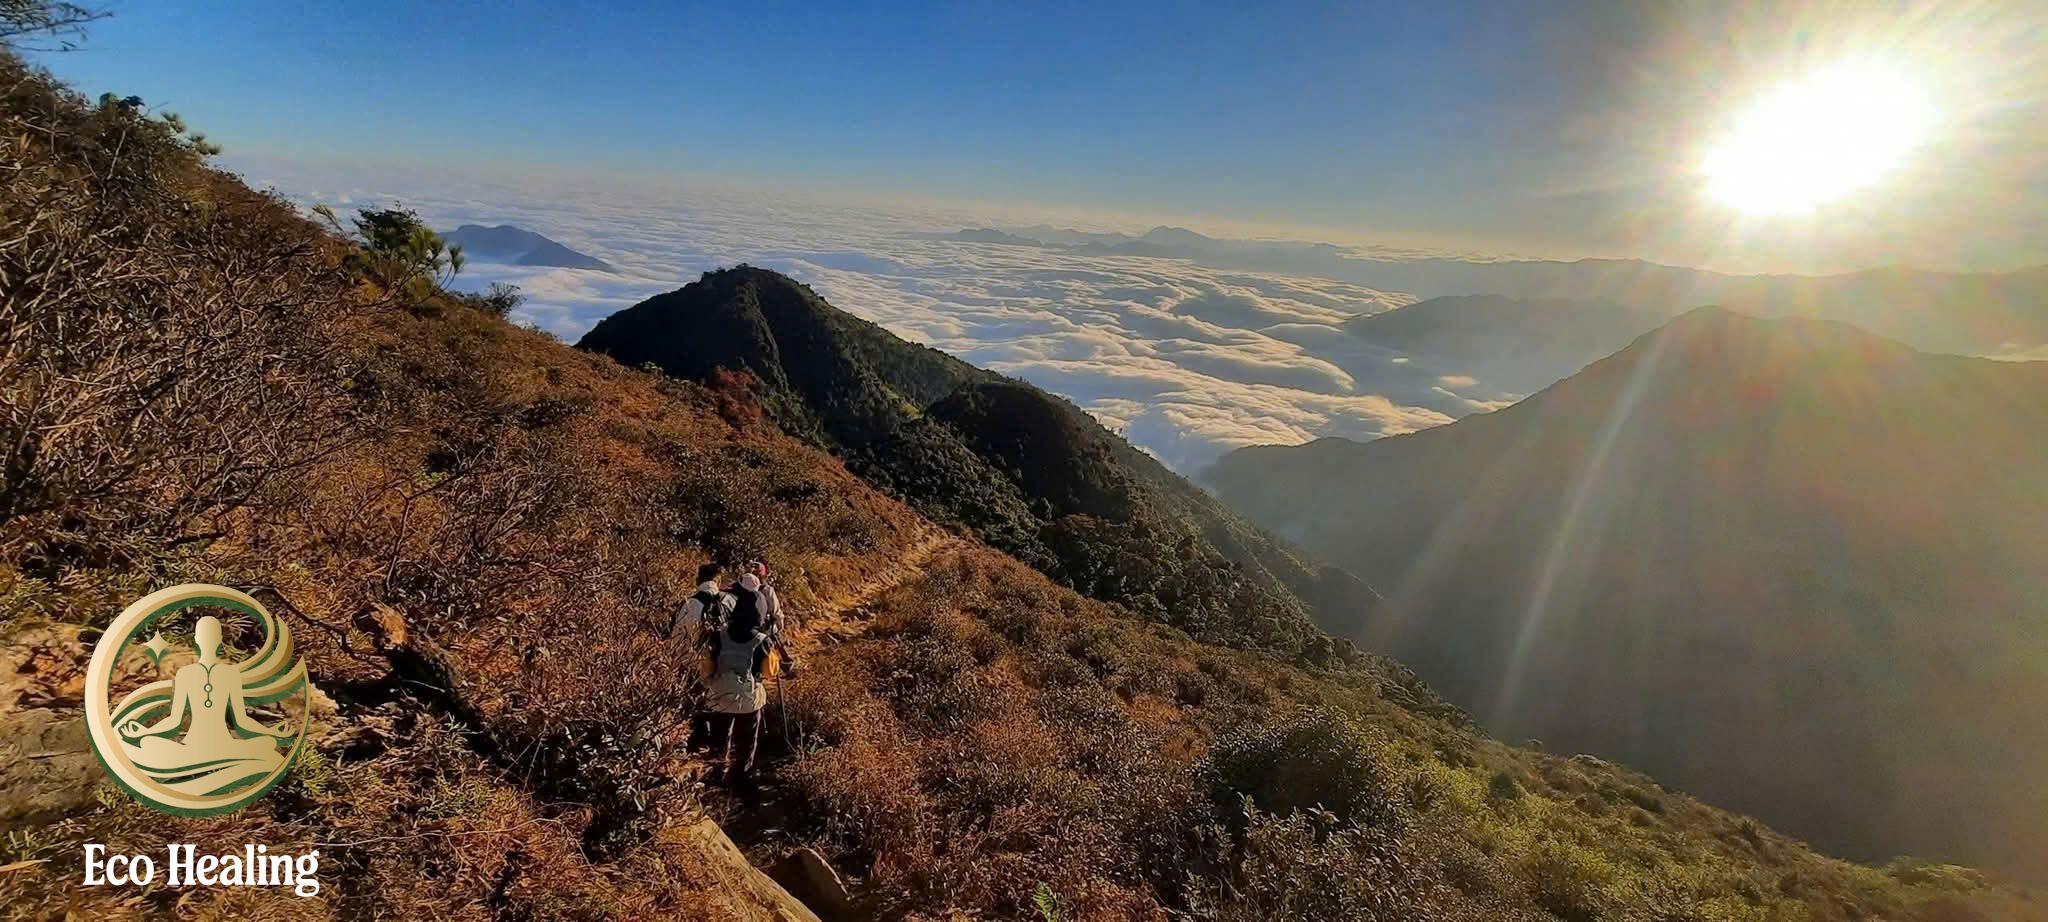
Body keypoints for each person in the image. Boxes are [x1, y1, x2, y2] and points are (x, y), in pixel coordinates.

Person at [704, 578, 772, 790]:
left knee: (720, 735)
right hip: (748, 697)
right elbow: (768, 672)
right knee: (747, 739)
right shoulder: (762, 639)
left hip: (720, 694)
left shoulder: (719, 634)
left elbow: (707, 666)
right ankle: (743, 777)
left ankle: (717, 773)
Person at [741, 559, 797, 675]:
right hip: (764, 629)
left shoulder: (739, 589)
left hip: (742, 628)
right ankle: (780, 662)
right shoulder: (767, 590)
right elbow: (776, 613)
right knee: (774, 631)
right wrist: (779, 627)